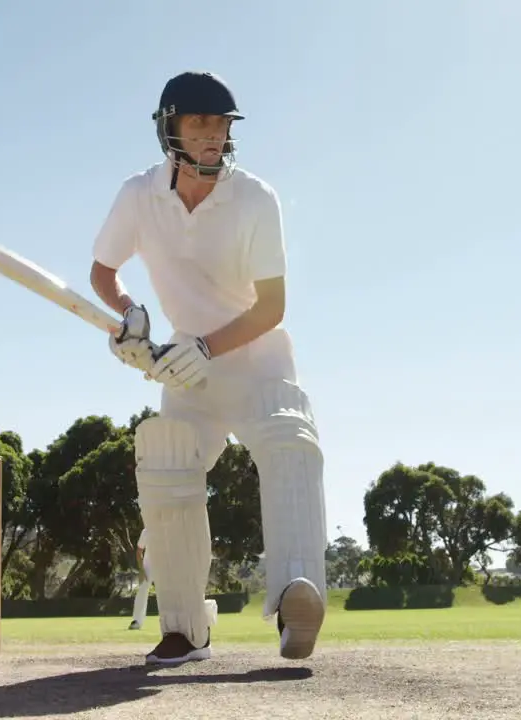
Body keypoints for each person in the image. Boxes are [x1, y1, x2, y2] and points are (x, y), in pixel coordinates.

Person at [89, 70, 327, 665]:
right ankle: (185, 627)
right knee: (165, 457)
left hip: (258, 357)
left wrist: (206, 348)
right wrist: (129, 317)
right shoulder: (137, 195)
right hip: (188, 372)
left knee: (288, 442)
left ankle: (299, 592)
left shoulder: (254, 198)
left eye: (221, 125)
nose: (212, 136)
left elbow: (272, 307)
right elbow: (102, 272)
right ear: (169, 127)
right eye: (198, 123)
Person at [129, 528, 152, 630]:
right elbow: (139, 551)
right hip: (148, 566)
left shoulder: (168, 529)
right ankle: (137, 621)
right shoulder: (146, 531)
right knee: (142, 590)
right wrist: (142, 570)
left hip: (165, 566)